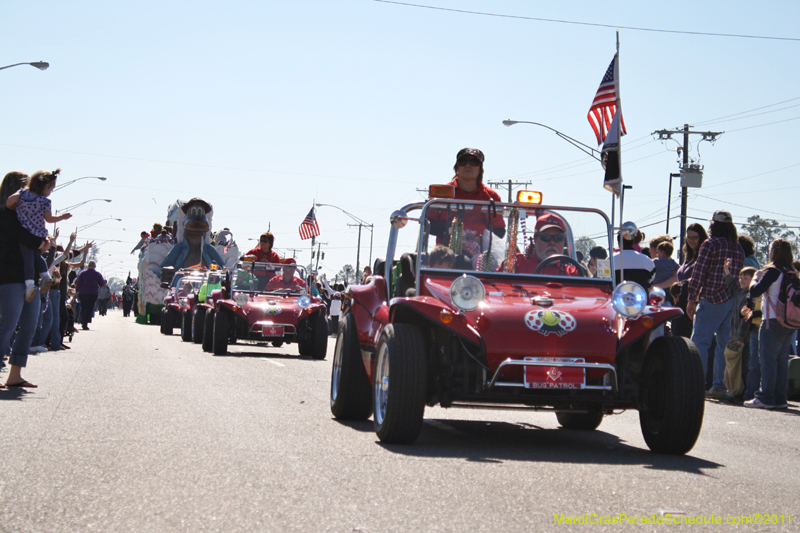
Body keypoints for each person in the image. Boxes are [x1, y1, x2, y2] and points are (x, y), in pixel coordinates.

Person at [687, 210, 745, 399]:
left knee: (699, 343)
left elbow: (699, 273)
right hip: (732, 301)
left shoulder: (710, 244)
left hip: (711, 298)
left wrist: (691, 298)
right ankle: (719, 385)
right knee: (723, 345)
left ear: (713, 225)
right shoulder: (738, 248)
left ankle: (696, 383)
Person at [0, 171, 48, 388]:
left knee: (29, 325)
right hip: (10, 277)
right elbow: (23, 238)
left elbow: (33, 238)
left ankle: (15, 375)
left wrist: (42, 241)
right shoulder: (5, 214)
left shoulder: (26, 215)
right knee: (7, 325)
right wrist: (39, 242)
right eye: (24, 187)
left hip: (29, 279)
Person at [744, 238, 797, 409]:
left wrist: (754, 278)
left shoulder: (772, 271)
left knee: (767, 360)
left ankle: (765, 396)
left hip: (773, 320)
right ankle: (780, 398)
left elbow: (755, 291)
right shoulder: (792, 272)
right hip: (790, 322)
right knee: (781, 360)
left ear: (774, 251)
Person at [5, 168, 72, 301]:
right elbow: (49, 219)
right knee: (36, 257)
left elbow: (9, 201)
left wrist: (14, 206)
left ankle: (30, 284)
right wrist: (62, 217)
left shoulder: (23, 194)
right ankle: (45, 277)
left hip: (25, 233)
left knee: (28, 259)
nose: (50, 193)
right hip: (39, 234)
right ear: (46, 186)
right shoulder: (45, 201)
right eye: (51, 190)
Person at [429, 148, 505, 260]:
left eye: (473, 162)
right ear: (457, 167)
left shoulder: (491, 196)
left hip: (482, 259)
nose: (468, 166)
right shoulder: (442, 193)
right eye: (463, 162)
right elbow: (428, 224)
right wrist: (450, 232)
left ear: (480, 169)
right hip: (445, 257)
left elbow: (499, 229)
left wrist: (482, 240)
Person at [497, 212, 580, 276]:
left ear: (564, 242)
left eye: (558, 238)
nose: (552, 243)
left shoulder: (572, 273)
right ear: (535, 239)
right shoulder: (516, 265)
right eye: (546, 237)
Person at [722, 260, 756, 399]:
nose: (741, 280)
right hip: (737, 337)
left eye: (745, 278)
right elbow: (732, 285)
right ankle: (738, 390)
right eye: (741, 277)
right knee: (737, 366)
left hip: (744, 339)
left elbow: (745, 321)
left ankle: (744, 392)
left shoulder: (750, 296)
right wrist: (726, 271)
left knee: (744, 367)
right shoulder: (741, 293)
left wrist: (740, 339)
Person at [74, 260, 106, 330]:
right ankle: (86, 322)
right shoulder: (97, 274)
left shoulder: (82, 273)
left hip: (83, 292)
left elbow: (78, 283)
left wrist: (76, 291)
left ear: (88, 266)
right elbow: (102, 283)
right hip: (93, 293)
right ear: (94, 266)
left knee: (83, 307)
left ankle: (83, 321)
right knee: (90, 308)